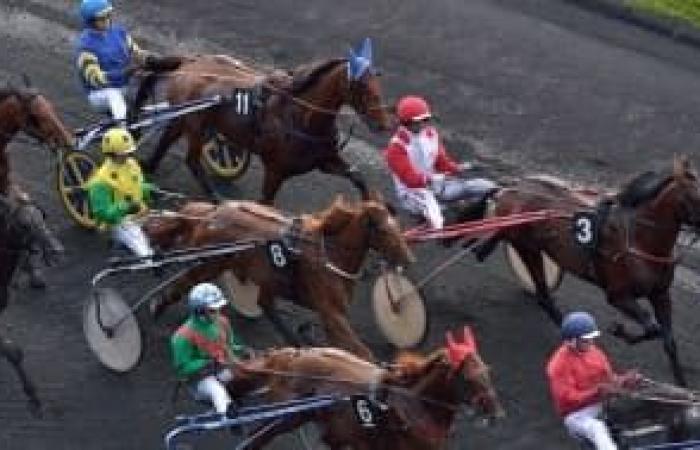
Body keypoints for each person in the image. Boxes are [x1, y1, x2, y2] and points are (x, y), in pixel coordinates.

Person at [384, 95, 498, 229]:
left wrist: (463, 167)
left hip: (438, 186)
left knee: (485, 186)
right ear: (406, 122)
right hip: (414, 194)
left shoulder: (431, 134)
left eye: (426, 119)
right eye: (420, 120)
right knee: (441, 221)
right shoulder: (396, 147)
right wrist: (436, 178)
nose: (425, 123)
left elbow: (442, 163)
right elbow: (411, 180)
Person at [546, 311, 642, 450]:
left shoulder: (595, 352)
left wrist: (625, 381)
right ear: (571, 341)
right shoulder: (558, 365)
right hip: (576, 414)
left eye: (592, 338)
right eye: (586, 340)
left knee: (638, 403)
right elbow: (568, 399)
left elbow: (610, 379)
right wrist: (596, 392)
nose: (591, 342)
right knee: (597, 428)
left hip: (601, 403)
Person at [171, 283, 249, 416]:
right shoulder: (182, 336)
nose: (218, 313)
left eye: (219, 308)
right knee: (217, 390)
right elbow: (182, 368)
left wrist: (243, 350)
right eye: (213, 310)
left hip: (224, 369)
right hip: (200, 379)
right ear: (199, 311)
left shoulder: (223, 322)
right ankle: (228, 416)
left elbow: (231, 344)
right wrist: (207, 362)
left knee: (249, 372)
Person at [74, 0, 157, 121]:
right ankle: (122, 129)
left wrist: (150, 59)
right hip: (100, 93)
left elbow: (136, 52)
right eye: (102, 18)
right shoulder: (85, 46)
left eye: (109, 15)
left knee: (151, 78)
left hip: (124, 85)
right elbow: (95, 79)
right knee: (114, 95)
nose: (107, 20)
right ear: (90, 21)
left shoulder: (119, 32)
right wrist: (125, 73)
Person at [86, 127, 155, 258]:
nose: (128, 155)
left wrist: (150, 189)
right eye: (124, 153)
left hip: (142, 212)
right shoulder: (99, 181)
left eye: (129, 152)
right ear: (112, 153)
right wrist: (125, 207)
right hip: (121, 221)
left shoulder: (132, 164)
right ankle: (120, 245)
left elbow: (138, 186)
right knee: (145, 254)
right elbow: (102, 213)